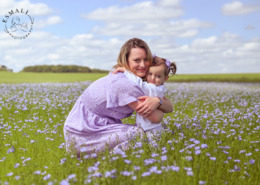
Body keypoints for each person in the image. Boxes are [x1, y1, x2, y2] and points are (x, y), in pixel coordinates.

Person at [63, 38, 173, 157]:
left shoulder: (134, 78)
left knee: (145, 134)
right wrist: (159, 104)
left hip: (92, 127)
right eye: (137, 60)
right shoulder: (124, 83)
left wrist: (158, 101)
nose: (143, 65)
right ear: (126, 60)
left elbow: (170, 107)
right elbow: (156, 118)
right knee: (139, 134)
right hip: (83, 133)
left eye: (146, 59)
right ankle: (104, 168)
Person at [112, 55, 177, 139]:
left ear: (165, 78)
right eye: (150, 74)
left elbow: (139, 83)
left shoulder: (153, 88)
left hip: (150, 128)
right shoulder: (160, 87)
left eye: (158, 76)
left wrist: (126, 71)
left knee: (152, 148)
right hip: (150, 126)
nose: (152, 78)